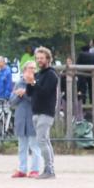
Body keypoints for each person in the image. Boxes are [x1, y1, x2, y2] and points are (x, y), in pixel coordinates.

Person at [25, 47, 58, 179]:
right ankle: (49, 168)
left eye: (42, 58)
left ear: (48, 59)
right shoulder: (38, 75)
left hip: (46, 112)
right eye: (37, 58)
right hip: (36, 112)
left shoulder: (51, 75)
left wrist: (33, 82)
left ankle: (49, 169)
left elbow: (45, 92)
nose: (39, 60)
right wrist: (29, 82)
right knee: (45, 141)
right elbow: (30, 93)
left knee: (41, 140)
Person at [10, 61, 43, 178]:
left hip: (33, 118)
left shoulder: (37, 83)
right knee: (22, 147)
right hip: (20, 118)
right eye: (30, 68)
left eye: (34, 68)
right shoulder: (18, 83)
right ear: (24, 70)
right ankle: (22, 169)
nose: (32, 70)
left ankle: (35, 170)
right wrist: (19, 95)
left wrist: (24, 93)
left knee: (34, 146)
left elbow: (36, 100)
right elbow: (12, 102)